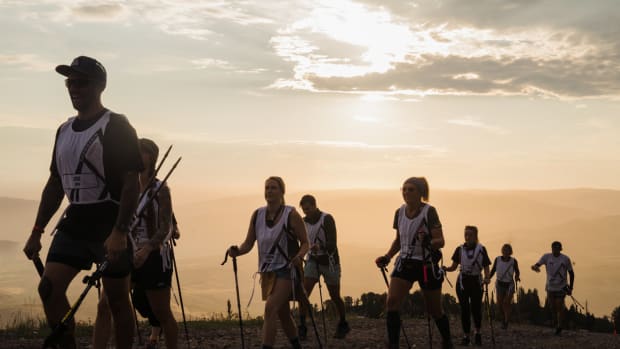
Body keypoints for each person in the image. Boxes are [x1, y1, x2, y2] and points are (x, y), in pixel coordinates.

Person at [22, 56, 142, 349]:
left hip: (108, 221)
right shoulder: (63, 131)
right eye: (70, 82)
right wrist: (37, 230)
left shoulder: (116, 126)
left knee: (116, 300)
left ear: (99, 87)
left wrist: (120, 231)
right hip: (75, 220)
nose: (74, 87)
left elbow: (132, 183)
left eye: (81, 82)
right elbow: (55, 184)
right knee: (48, 288)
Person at [93, 138, 179, 349]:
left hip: (154, 256)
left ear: (152, 158)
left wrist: (148, 248)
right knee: (105, 305)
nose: (137, 155)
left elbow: (166, 227)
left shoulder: (161, 189)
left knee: (162, 313)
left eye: (143, 152)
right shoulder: (124, 188)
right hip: (126, 253)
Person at [227, 176, 310, 349]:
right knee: (283, 314)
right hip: (267, 272)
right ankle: (297, 345)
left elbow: (305, 243)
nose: (269, 191)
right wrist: (237, 252)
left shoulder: (291, 215)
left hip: (286, 269)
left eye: (273, 188)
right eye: (267, 188)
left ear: (282, 192)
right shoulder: (257, 215)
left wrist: (300, 256)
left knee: (270, 309)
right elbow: (248, 244)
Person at [375, 177, 453, 349]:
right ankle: (393, 344)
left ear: (420, 193)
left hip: (426, 264)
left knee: (435, 310)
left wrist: (428, 242)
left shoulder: (429, 212)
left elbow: (440, 241)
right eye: (404, 189)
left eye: (411, 189)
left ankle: (447, 341)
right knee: (392, 302)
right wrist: (387, 257)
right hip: (405, 263)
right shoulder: (399, 212)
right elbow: (398, 240)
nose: (406, 192)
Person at [297, 194, 350, 340]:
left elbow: (333, 243)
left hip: (330, 262)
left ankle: (343, 322)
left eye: (308, 209)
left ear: (314, 206)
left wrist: (320, 246)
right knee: (304, 293)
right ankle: (302, 326)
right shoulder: (303, 222)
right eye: (304, 210)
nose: (306, 212)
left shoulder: (326, 219)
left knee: (334, 295)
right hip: (313, 261)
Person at [443, 225, 491, 346]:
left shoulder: (481, 249)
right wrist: (446, 269)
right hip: (463, 282)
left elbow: (486, 266)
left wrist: (487, 277)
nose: (467, 237)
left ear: (475, 236)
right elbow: (454, 266)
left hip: (476, 281)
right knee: (464, 309)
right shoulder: (459, 249)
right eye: (466, 235)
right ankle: (466, 336)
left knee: (476, 309)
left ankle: (478, 333)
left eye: (470, 235)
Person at [531, 241, 575, 336]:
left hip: (562, 287)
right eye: (554, 248)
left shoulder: (565, 259)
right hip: (550, 287)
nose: (555, 250)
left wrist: (571, 287)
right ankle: (556, 320)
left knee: (559, 305)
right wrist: (534, 267)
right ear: (552, 249)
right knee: (552, 307)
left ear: (560, 249)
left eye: (557, 248)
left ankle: (559, 326)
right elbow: (538, 264)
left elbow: (571, 273)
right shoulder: (546, 257)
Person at [489, 243, 520, 330]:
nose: (506, 252)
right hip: (499, 284)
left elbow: (517, 271)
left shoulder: (513, 261)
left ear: (510, 252)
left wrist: (517, 277)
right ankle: (503, 320)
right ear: (502, 251)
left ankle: (506, 321)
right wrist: (488, 278)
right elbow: (493, 270)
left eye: (507, 250)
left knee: (506, 303)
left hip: (509, 284)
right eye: (504, 250)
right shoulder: (497, 259)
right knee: (499, 304)